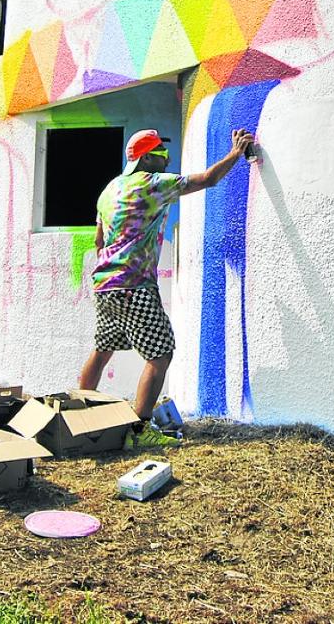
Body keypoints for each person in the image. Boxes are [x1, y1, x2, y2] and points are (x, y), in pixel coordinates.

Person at [79, 127, 254, 447]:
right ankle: (139, 430)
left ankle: (76, 413)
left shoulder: (109, 189)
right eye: (160, 152)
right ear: (146, 157)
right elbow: (206, 180)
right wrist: (235, 153)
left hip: (105, 285)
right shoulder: (153, 184)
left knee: (102, 350)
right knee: (160, 355)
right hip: (134, 286)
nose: (166, 157)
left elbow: (98, 240)